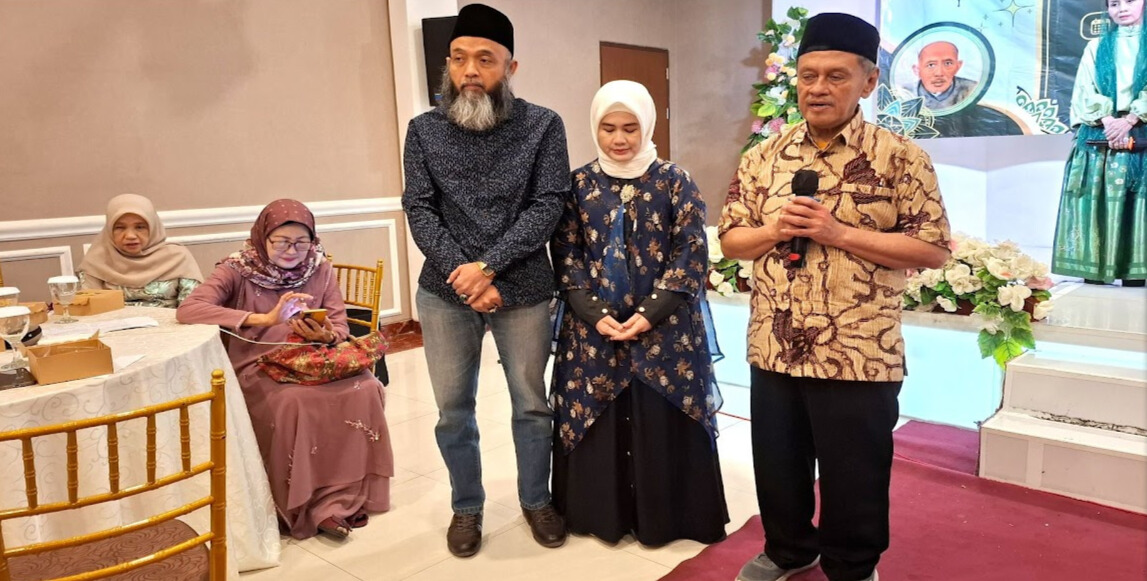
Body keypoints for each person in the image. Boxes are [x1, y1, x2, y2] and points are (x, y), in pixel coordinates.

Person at [719, 13, 951, 581]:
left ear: (869, 82)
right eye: (808, 75)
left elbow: (932, 249)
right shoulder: (762, 157)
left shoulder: (901, 157)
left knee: (855, 473)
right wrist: (775, 229)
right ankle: (788, 550)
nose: (817, 88)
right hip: (775, 344)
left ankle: (852, 566)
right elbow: (731, 240)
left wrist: (838, 233)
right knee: (778, 465)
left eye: (835, 76)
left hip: (860, 348)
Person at [401, 3, 569, 558]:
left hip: (523, 287)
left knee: (531, 404)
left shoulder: (543, 125)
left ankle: (536, 500)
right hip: (445, 291)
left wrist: (489, 267)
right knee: (453, 410)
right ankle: (466, 507)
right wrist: (466, 276)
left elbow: (548, 205)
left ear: (510, 67)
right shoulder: (423, 130)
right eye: (459, 59)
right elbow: (420, 208)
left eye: (485, 59)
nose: (470, 70)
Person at [550, 80, 728, 546]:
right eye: (608, 128)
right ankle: (600, 515)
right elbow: (566, 252)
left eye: (630, 128)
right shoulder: (579, 184)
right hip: (594, 330)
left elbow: (691, 250)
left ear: (647, 125)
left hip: (665, 328)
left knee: (660, 415)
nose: (619, 138)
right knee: (598, 413)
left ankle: (667, 519)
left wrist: (650, 313)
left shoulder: (675, 179)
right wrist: (593, 312)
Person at [176, 199, 392, 540]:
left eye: (302, 243)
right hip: (257, 365)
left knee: (366, 387)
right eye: (281, 242)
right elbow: (189, 309)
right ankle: (300, 504)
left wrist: (326, 335)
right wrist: (264, 319)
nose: (292, 251)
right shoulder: (237, 269)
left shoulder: (318, 268)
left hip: (313, 361)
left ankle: (341, 498)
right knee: (294, 402)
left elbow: (339, 324)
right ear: (263, 237)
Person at [1052, 0, 1146, 286]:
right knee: (1096, 202)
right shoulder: (1096, 46)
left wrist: (1130, 120)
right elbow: (1084, 88)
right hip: (1101, 136)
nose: (1122, 8)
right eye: (1114, 3)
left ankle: (1134, 274)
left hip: (1141, 136)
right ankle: (1094, 271)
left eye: (1129, 1)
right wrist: (1108, 121)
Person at [77, 194, 203, 307]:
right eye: (120, 228)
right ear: (109, 230)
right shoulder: (97, 260)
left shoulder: (177, 257)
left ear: (153, 227)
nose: (130, 236)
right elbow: (91, 311)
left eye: (140, 227)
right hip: (113, 325)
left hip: (172, 324)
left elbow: (192, 308)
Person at [907, 41, 978, 111]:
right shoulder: (904, 93)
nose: (939, 73)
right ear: (917, 70)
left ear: (958, 66)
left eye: (948, 63)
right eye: (931, 65)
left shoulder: (973, 90)